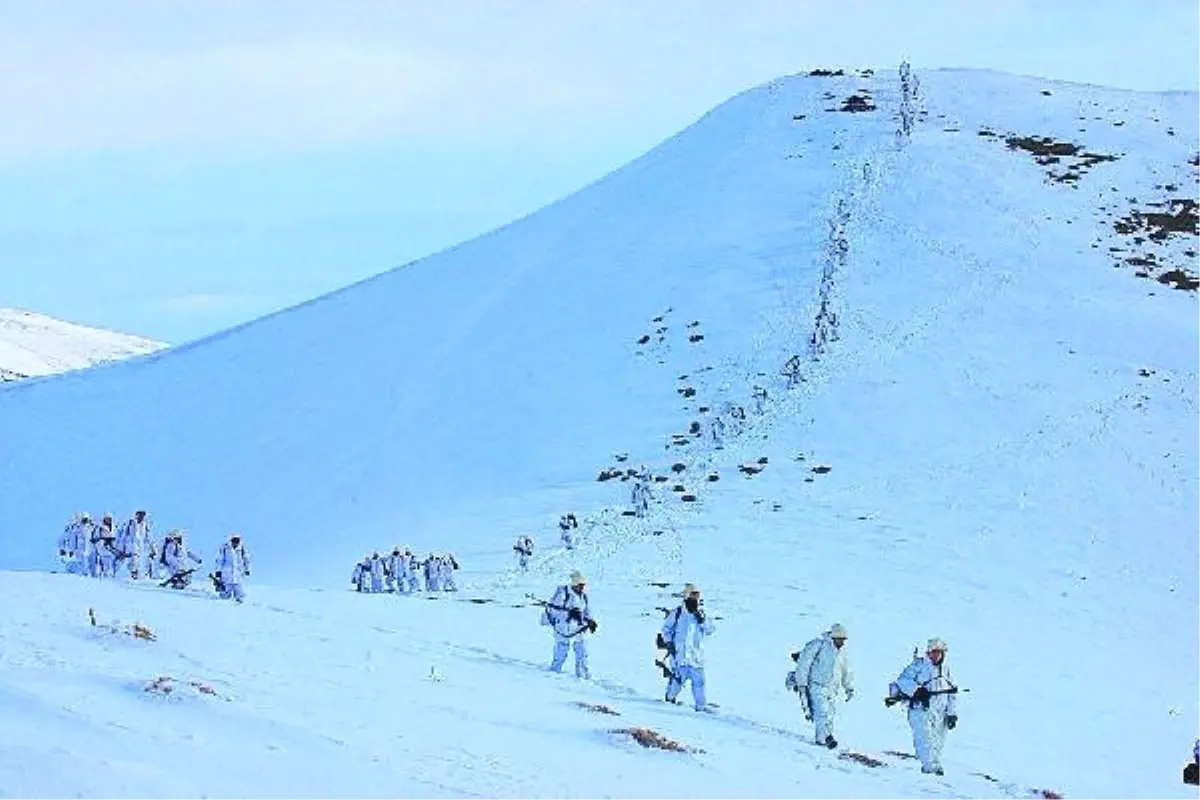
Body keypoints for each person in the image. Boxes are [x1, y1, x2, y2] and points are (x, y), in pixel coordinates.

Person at [890, 638, 958, 775]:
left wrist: (952, 713)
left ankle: (936, 765)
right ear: (928, 652)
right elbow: (902, 680)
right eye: (933, 652)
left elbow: (952, 692)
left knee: (938, 739)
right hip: (920, 709)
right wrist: (916, 690)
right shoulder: (918, 665)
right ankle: (929, 766)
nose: (936, 655)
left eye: (939, 652)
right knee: (924, 737)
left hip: (940, 711)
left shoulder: (946, 670)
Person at [792, 623, 854, 748]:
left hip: (832, 688)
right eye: (840, 639)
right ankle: (827, 738)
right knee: (822, 712)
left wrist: (849, 687)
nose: (842, 642)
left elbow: (846, 670)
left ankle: (822, 739)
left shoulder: (841, 653)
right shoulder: (819, 645)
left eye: (844, 640)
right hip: (817, 685)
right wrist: (801, 683)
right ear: (834, 637)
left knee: (830, 714)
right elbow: (804, 663)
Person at [660, 583, 715, 712]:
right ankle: (669, 700)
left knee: (699, 683)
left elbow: (710, 630)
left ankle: (700, 708)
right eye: (692, 595)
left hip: (696, 657)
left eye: (697, 595)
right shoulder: (677, 613)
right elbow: (666, 629)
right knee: (677, 682)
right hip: (680, 655)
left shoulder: (702, 613)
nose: (695, 598)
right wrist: (669, 643)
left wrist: (703, 621)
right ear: (686, 596)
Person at [541, 571, 596, 679]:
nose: (582, 587)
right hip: (563, 629)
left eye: (583, 585)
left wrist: (591, 621)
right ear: (575, 584)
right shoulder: (562, 593)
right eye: (580, 585)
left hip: (579, 629)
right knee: (561, 652)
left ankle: (582, 674)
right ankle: (554, 673)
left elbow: (586, 611)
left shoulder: (584, 596)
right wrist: (569, 613)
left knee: (582, 651)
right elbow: (553, 610)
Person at [214, 533, 251, 603]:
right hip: (226, 575)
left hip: (238, 574)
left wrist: (247, 569)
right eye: (234, 540)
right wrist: (218, 571)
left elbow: (246, 559)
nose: (236, 542)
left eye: (237, 541)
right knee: (224, 596)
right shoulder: (225, 548)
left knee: (240, 595)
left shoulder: (242, 548)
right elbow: (220, 560)